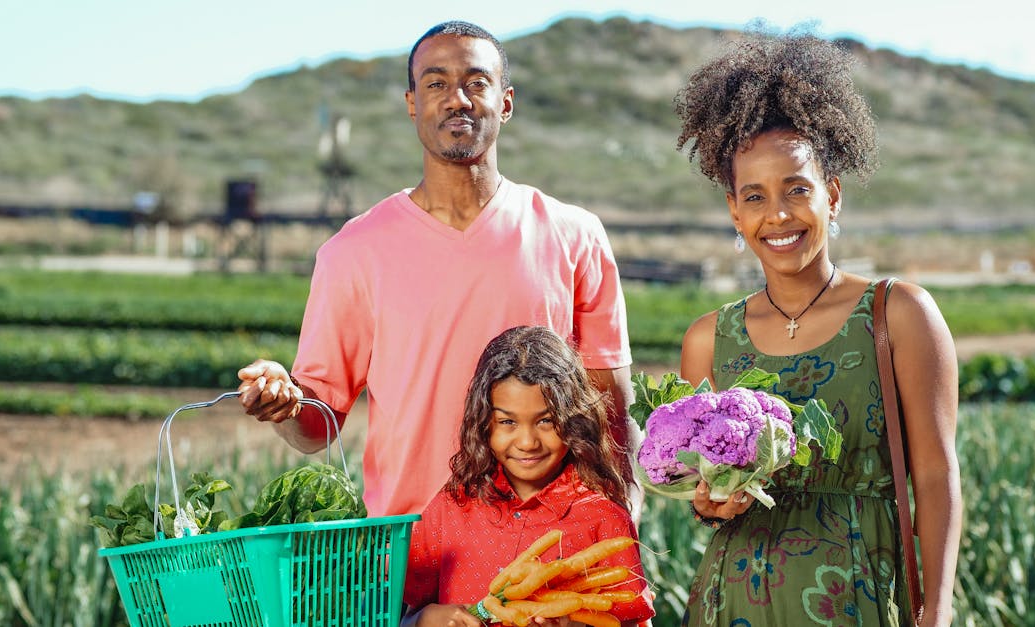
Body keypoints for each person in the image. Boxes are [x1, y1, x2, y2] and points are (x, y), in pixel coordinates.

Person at [235, 21, 637, 518]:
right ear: (412, 104)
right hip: (411, 554)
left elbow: (612, 416)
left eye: (475, 82)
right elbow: (318, 428)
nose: (457, 100)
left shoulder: (575, 235)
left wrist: (624, 525)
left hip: (544, 552)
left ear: (505, 103)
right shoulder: (354, 251)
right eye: (436, 84)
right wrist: (289, 404)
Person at [672, 28, 962, 626]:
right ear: (734, 210)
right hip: (734, 603)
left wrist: (938, 608)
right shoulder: (708, 339)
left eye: (796, 190)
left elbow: (935, 474)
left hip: (861, 599)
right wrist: (706, 503)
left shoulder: (898, 314)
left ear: (832, 196)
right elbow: (704, 496)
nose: (777, 215)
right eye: (754, 196)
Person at [401, 325, 655, 627]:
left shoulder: (604, 519)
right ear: (483, 423)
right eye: (507, 422)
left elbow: (634, 621)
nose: (527, 442)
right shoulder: (450, 507)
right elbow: (397, 611)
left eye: (546, 421)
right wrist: (422, 620)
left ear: (574, 420)